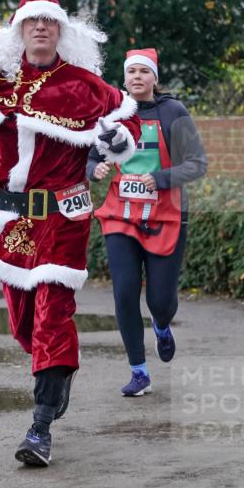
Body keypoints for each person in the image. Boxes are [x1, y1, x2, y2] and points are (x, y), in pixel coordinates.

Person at [0, 0, 140, 467]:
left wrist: (116, 140)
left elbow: (126, 130)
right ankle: (56, 377)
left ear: (61, 31)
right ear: (19, 29)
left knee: (52, 313)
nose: (40, 28)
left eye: (49, 22)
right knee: (25, 325)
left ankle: (40, 427)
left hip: (63, 216)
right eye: (31, 22)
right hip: (7, 218)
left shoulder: (84, 86)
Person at [86, 48, 207, 396]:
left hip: (167, 216)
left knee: (160, 300)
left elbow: (198, 163)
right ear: (124, 79)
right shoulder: (111, 115)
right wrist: (97, 169)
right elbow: (90, 161)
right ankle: (139, 372)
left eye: (144, 71)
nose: (137, 77)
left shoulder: (174, 112)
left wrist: (163, 177)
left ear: (155, 78)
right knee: (124, 292)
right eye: (131, 72)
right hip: (120, 216)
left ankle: (162, 324)